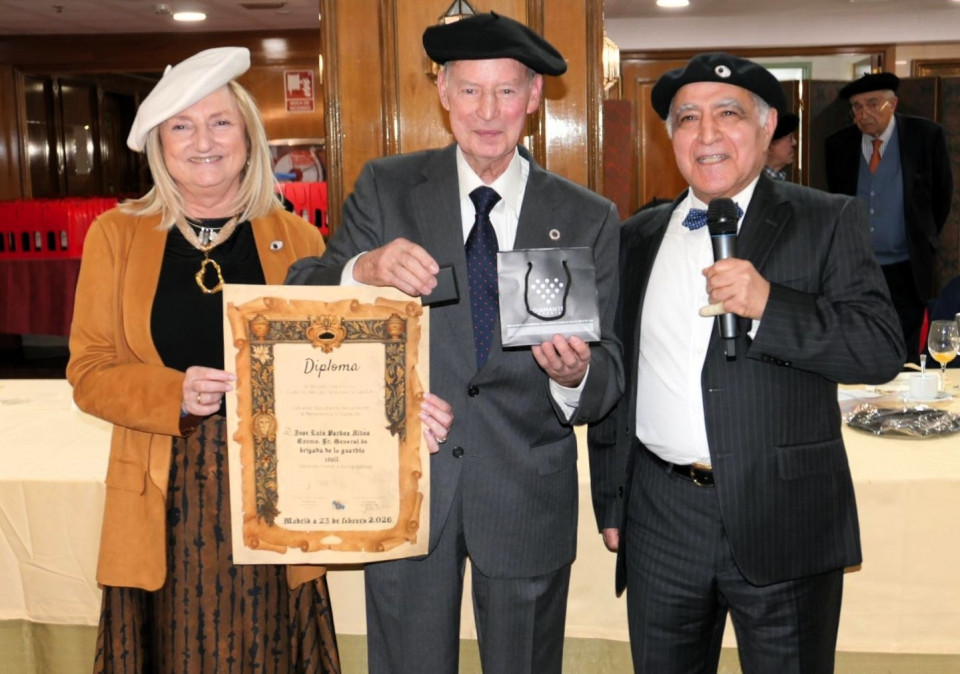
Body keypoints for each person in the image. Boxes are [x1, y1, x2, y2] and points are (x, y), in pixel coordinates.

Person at [287, 12, 623, 674]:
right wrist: (366, 268)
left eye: (505, 91)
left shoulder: (586, 216)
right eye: (470, 90)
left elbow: (610, 372)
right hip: (408, 483)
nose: (488, 111)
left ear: (534, 97)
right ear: (442, 92)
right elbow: (303, 297)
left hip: (525, 496)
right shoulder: (386, 188)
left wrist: (573, 376)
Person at [588, 52, 905, 673]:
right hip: (661, 517)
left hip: (784, 515)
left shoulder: (826, 218)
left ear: (767, 130)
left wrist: (769, 305)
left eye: (728, 114)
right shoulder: (635, 236)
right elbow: (620, 373)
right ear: (670, 137)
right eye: (687, 119)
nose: (706, 135)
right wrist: (612, 498)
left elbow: (879, 348)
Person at [66, 47, 359, 672]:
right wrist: (170, 393)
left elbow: (335, 364)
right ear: (159, 144)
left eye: (220, 122)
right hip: (162, 496)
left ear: (249, 138)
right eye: (182, 125)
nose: (204, 140)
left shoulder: (299, 240)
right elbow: (88, 372)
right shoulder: (115, 237)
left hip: (276, 495)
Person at [824, 72, 953, 356]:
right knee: (860, 338)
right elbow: (834, 202)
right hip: (857, 266)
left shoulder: (925, 137)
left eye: (872, 104)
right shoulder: (838, 145)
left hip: (907, 265)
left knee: (905, 340)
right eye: (857, 107)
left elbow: (941, 197)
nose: (864, 113)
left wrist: (923, 238)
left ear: (892, 105)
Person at [763, 111, 798, 181]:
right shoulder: (750, 185)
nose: (794, 142)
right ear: (769, 143)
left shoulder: (778, 181)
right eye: (790, 137)